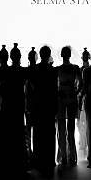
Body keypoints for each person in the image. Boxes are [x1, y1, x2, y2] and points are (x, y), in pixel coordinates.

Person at [0, 44, 28, 173]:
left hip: (8, 104)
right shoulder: (22, 71)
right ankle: (17, 161)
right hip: (17, 105)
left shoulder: (5, 71)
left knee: (7, 132)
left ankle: (6, 162)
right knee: (16, 132)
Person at [28, 45, 57, 173]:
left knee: (38, 132)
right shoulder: (52, 70)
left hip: (38, 104)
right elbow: (54, 90)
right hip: (49, 104)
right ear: (49, 54)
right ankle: (49, 160)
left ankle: (38, 159)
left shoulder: (35, 69)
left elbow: (31, 89)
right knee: (50, 133)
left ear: (39, 54)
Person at [56, 46, 82, 166]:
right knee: (70, 128)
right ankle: (71, 156)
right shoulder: (75, 68)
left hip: (62, 99)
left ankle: (64, 156)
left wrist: (59, 92)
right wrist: (74, 92)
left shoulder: (59, 69)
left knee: (63, 128)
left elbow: (80, 84)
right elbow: (80, 84)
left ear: (62, 55)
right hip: (70, 98)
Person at [77, 48, 91, 158]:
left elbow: (82, 86)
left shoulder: (85, 70)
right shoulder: (84, 69)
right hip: (84, 97)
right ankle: (84, 143)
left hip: (84, 98)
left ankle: (84, 143)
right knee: (83, 123)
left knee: (84, 123)